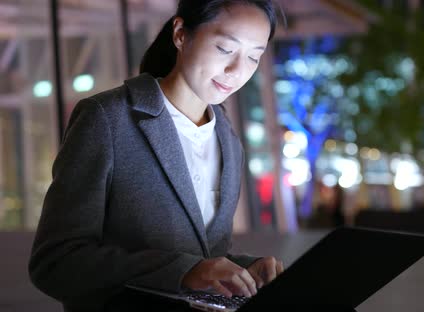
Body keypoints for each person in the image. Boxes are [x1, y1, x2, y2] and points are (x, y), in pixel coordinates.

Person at [28, 1, 284, 311]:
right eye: (225, 49)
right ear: (180, 34)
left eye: (254, 57)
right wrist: (183, 272)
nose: (236, 71)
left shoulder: (228, 140)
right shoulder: (107, 119)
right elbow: (55, 263)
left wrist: (245, 268)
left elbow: (200, 254)